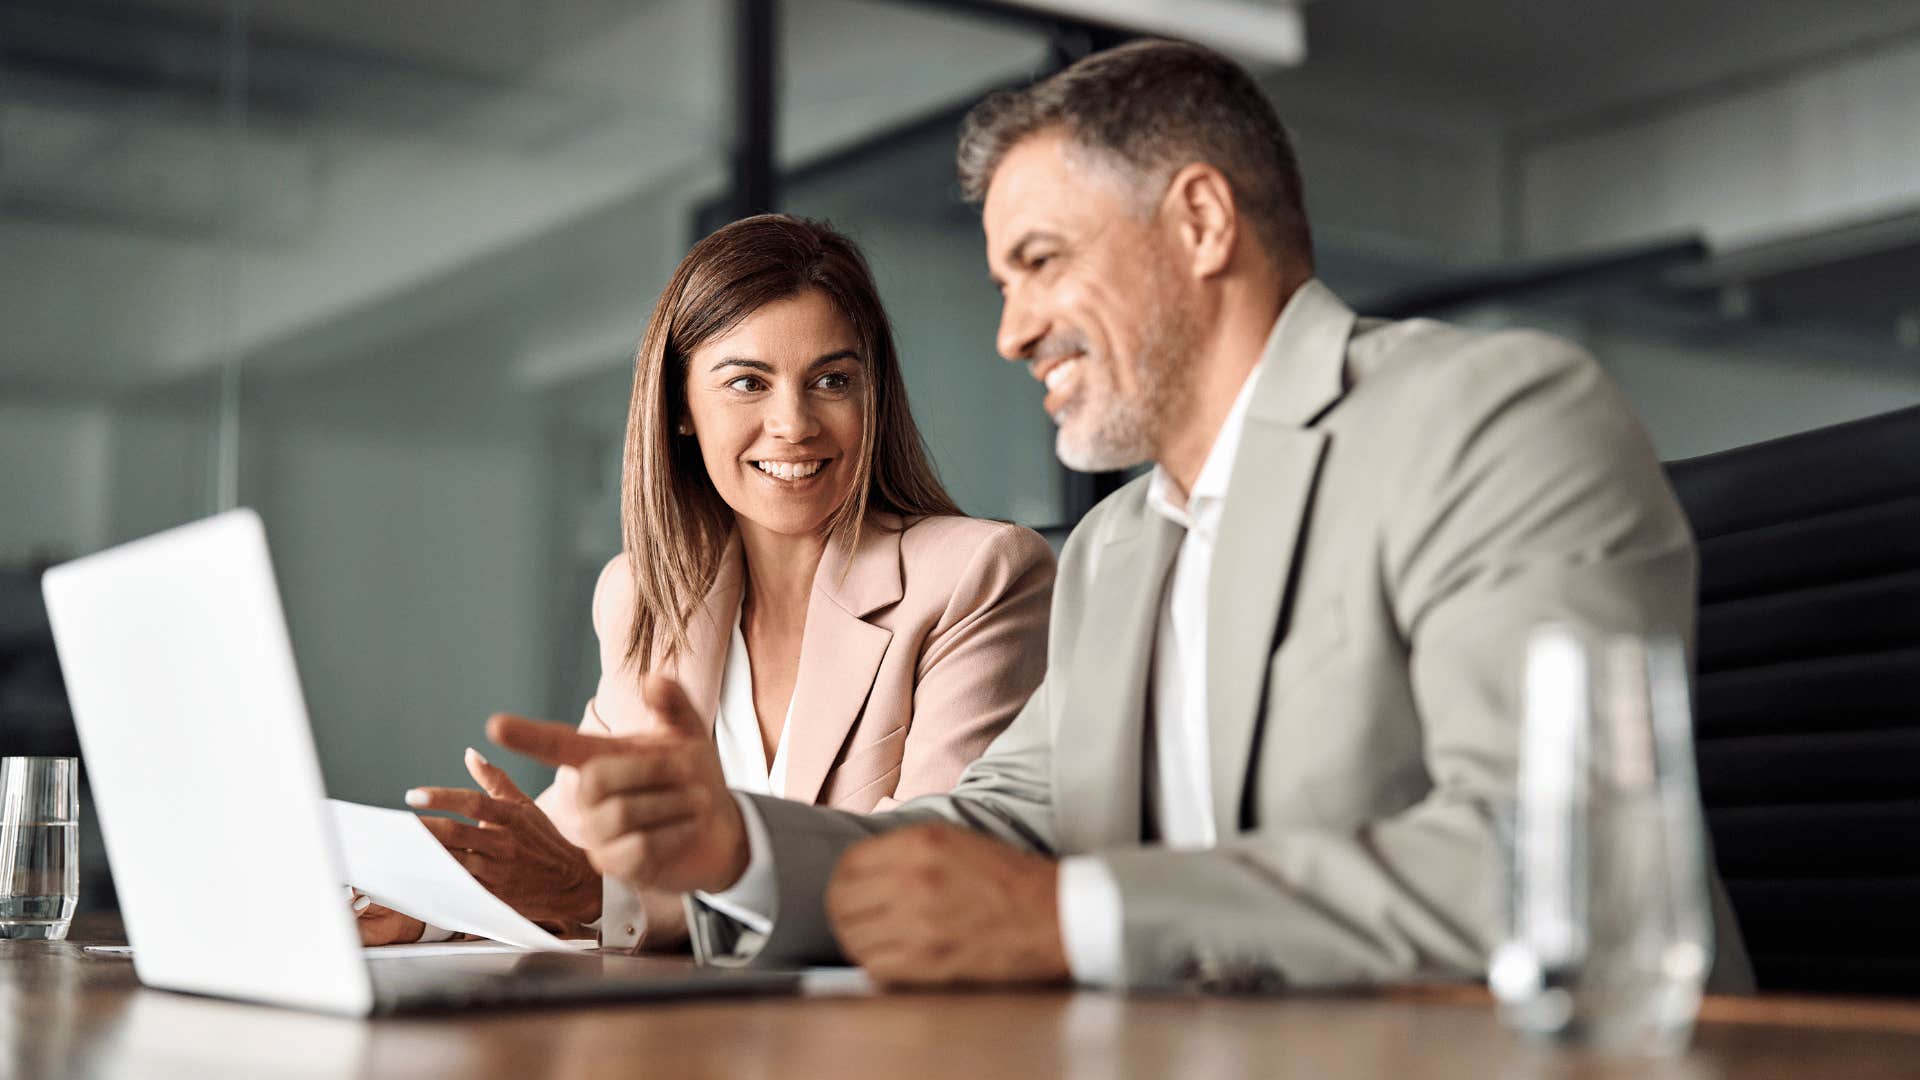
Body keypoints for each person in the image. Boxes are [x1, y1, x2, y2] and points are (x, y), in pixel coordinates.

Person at [490, 40, 1754, 991]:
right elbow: (992, 827)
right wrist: (736, 847)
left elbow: (1559, 865)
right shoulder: (1119, 553)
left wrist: (1071, 921)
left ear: (1200, 222)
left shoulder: (1489, 417)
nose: (1009, 330)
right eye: (1000, 282)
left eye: (1040, 261)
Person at [355, 214, 1054, 950]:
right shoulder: (643, 595)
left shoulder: (978, 575)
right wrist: (427, 906)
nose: (793, 423)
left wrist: (606, 897)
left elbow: (939, 873)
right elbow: (571, 848)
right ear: (681, 408)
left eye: (832, 380)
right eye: (748, 383)